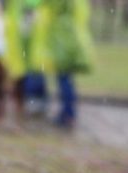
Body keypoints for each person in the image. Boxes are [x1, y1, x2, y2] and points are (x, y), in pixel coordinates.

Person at [33, 0, 95, 128]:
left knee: (64, 79)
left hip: (62, 46)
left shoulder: (60, 17)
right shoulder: (70, 13)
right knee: (66, 80)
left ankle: (67, 115)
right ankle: (67, 113)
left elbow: (43, 6)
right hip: (67, 42)